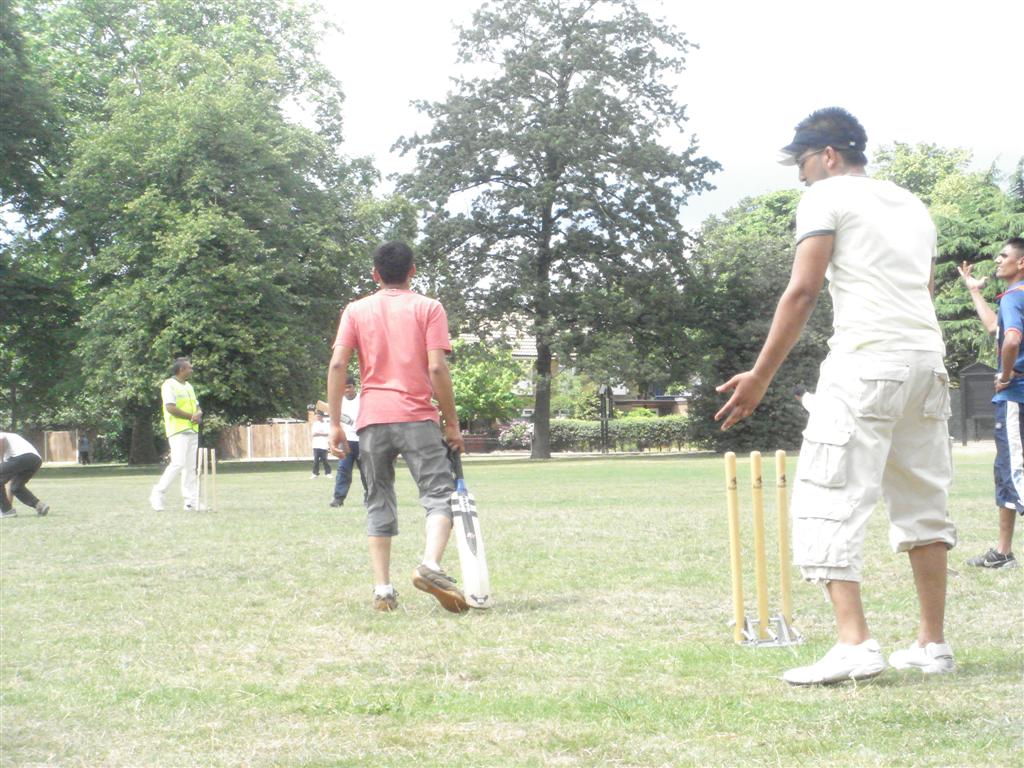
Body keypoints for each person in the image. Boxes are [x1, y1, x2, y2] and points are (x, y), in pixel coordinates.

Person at [716, 107, 957, 685]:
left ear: (827, 156)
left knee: (826, 499)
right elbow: (923, 287)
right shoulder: (911, 204)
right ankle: (932, 645)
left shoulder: (825, 197)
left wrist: (760, 375)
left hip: (866, 362)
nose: (801, 178)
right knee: (923, 502)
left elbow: (802, 291)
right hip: (926, 363)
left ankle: (855, 643)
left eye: (803, 165)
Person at [327, 241, 466, 613]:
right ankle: (430, 566)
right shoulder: (429, 308)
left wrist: (334, 424)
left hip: (371, 419)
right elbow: (437, 368)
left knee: (378, 497)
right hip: (417, 415)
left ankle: (383, 590)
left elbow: (338, 365)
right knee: (439, 494)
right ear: (413, 271)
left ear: (375, 274)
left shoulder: (356, 310)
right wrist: (452, 424)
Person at [958, 237, 1024, 569]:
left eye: (1004, 256)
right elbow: (996, 329)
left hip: (1015, 397)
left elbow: (1011, 338)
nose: (998, 261)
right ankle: (1002, 552)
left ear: (1021, 263)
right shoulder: (1015, 299)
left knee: (1014, 473)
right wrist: (974, 291)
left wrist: (1006, 373)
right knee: (1005, 473)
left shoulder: (1014, 296)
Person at [150, 357, 202, 511]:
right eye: (189, 368)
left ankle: (191, 501)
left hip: (192, 430)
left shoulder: (189, 386)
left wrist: (199, 413)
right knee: (178, 463)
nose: (191, 370)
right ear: (181, 370)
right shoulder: (169, 385)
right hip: (177, 430)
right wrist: (191, 416)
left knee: (190, 467)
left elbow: (197, 405)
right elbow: (170, 407)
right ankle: (158, 493)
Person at [330, 375, 367, 507]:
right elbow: (335, 422)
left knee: (367, 472)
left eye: (349, 387)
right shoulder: (338, 402)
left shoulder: (363, 399)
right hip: (346, 440)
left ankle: (369, 498)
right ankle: (338, 499)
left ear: (354, 386)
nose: (347, 390)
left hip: (363, 439)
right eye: (344, 387)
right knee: (343, 470)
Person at [1, 432, 50, 518]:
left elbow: (1, 439)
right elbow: (8, 484)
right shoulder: (11, 448)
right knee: (16, 487)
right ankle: (40, 506)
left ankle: (6, 511)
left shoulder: (3, 435)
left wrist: (0, 461)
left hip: (22, 457)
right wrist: (9, 507)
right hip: (35, 460)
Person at [310, 410, 332, 479]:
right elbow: (313, 434)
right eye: (317, 416)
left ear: (322, 416)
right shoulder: (315, 424)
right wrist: (321, 433)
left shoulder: (326, 424)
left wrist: (318, 433)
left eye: (319, 416)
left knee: (324, 459)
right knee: (316, 460)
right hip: (316, 445)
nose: (317, 417)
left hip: (324, 445)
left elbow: (327, 433)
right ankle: (315, 473)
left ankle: (328, 473)